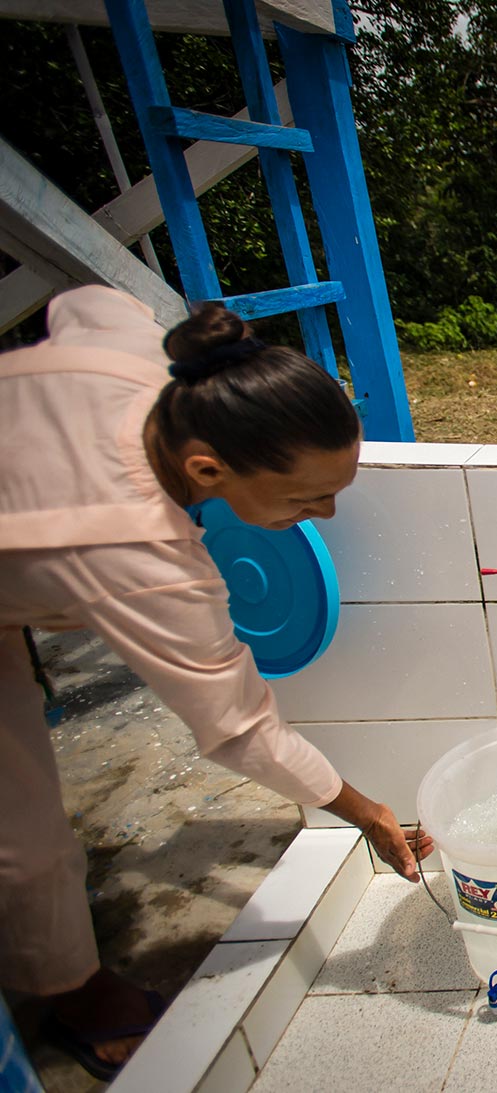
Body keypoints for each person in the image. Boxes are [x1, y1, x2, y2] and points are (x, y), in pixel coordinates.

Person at [0, 288, 433, 1080]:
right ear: (207, 468)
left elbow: (87, 299)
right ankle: (74, 992)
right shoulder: (142, 552)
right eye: (307, 498)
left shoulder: (162, 372)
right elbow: (240, 727)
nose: (328, 515)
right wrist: (367, 811)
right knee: (20, 835)